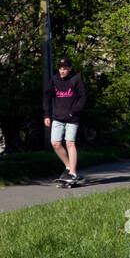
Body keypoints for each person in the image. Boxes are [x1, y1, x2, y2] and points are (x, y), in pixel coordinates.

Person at [43, 55, 87, 184]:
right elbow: (47, 95)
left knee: (70, 143)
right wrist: (46, 114)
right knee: (55, 143)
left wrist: (74, 112)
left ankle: (73, 173)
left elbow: (83, 97)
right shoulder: (55, 79)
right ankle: (68, 166)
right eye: (61, 68)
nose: (62, 71)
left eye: (65, 68)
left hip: (72, 118)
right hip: (57, 117)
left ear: (70, 68)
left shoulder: (76, 78)